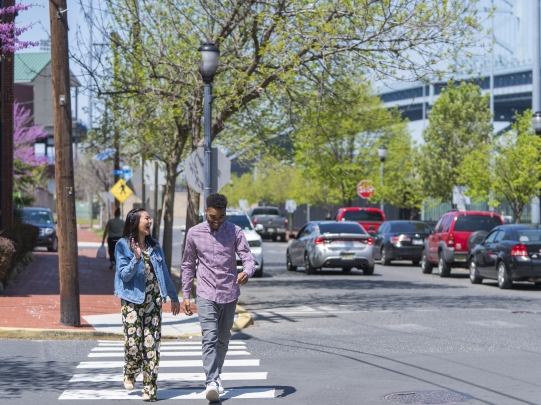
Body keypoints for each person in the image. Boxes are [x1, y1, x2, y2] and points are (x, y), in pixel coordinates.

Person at [181, 193, 256, 402]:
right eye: (213, 216)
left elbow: (248, 258)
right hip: (205, 293)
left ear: (225, 214)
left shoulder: (235, 231)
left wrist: (246, 272)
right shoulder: (194, 233)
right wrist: (186, 294)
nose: (216, 221)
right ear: (206, 211)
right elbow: (187, 264)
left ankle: (217, 375)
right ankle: (211, 381)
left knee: (223, 340)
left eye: (221, 217)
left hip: (229, 293)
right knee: (210, 338)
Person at [114, 208, 180, 402]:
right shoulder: (122, 246)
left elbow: (165, 274)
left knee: (151, 345)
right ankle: (130, 370)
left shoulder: (155, 247)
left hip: (153, 302)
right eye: (146, 218)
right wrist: (135, 258)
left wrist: (174, 297)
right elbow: (124, 275)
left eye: (150, 218)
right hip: (132, 302)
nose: (149, 221)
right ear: (135, 222)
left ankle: (150, 388)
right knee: (134, 344)